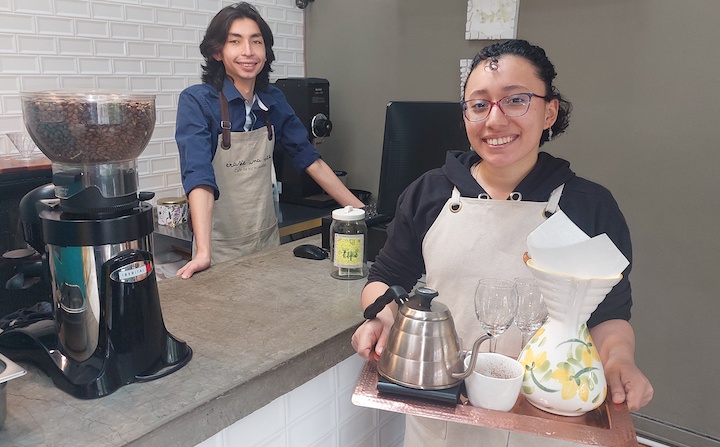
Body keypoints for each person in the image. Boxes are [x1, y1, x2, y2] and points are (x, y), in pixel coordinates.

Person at [351, 39, 653, 446]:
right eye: (479, 104)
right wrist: (382, 320)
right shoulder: (430, 193)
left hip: (547, 422)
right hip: (443, 416)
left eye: (515, 101)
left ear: (549, 112)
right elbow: (386, 278)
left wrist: (619, 359)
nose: (494, 120)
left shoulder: (589, 207)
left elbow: (608, 314)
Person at [175, 2, 363, 279]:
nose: (248, 51)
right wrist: (204, 251)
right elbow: (198, 175)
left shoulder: (273, 100)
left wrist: (358, 211)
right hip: (220, 249)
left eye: (256, 41)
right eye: (235, 42)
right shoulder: (197, 101)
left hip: (266, 240)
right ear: (217, 51)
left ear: (266, 51)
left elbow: (308, 157)